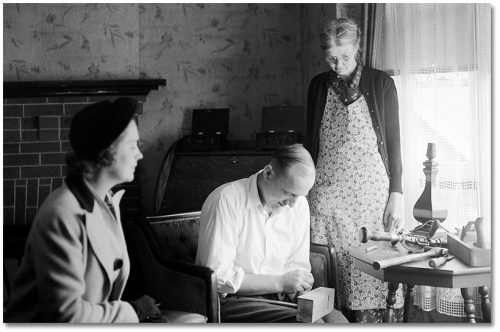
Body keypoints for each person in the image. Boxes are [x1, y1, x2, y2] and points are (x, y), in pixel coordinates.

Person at [4, 98, 165, 323]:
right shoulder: (62, 214)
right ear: (106, 151)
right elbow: (67, 315)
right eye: (132, 145)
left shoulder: (106, 201)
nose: (140, 154)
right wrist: (132, 311)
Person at [305, 17, 404, 323]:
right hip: (326, 195)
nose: (338, 64)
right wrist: (303, 191)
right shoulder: (318, 86)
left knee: (371, 270)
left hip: (370, 195)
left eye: (345, 57)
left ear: (358, 47)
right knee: (328, 274)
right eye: (331, 58)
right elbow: (311, 143)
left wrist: (396, 192)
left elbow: (395, 142)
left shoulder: (382, 83)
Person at [195, 144, 348, 323]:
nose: (292, 203)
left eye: (300, 195)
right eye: (287, 192)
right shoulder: (226, 199)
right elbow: (220, 278)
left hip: (280, 297)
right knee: (308, 323)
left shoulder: (298, 205)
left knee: (337, 320)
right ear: (268, 173)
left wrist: (299, 284)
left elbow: (296, 264)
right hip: (232, 300)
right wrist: (282, 282)